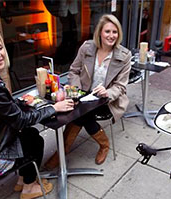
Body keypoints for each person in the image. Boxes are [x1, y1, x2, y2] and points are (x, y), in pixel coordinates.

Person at [0, 27, 75, 199]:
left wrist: (20, 102)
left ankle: (23, 179)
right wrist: (54, 108)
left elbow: (0, 107)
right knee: (34, 140)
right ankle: (29, 187)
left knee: (29, 135)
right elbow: (21, 121)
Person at [45, 14, 131, 168]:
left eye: (115, 32)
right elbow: (73, 71)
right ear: (99, 32)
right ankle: (102, 144)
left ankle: (63, 153)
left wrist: (107, 92)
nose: (111, 36)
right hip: (83, 95)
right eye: (107, 31)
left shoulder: (124, 56)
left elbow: (121, 86)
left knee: (81, 115)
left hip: (108, 100)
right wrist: (77, 90)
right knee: (79, 113)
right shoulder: (87, 48)